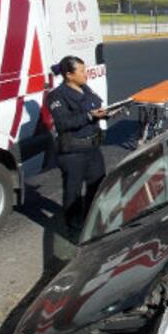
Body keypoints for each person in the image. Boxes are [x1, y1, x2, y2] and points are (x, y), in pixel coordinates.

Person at [47, 55, 108, 232]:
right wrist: (89, 116)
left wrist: (106, 113)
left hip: (92, 148)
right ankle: (73, 225)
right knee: (73, 191)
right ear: (69, 75)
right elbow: (63, 123)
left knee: (97, 186)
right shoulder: (56, 97)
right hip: (73, 152)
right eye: (81, 71)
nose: (85, 74)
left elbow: (96, 104)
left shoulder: (85, 89)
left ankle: (93, 220)